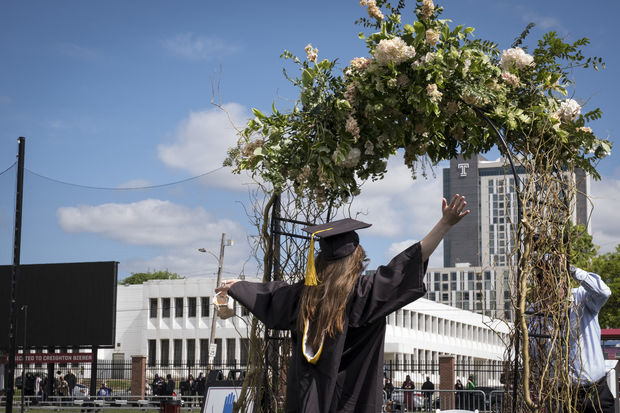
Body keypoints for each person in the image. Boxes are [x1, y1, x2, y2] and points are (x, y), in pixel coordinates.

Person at [216, 195, 469, 413]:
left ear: (321, 259)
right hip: (352, 403)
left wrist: (237, 285)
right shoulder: (363, 293)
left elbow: (269, 295)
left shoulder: (302, 298)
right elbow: (404, 265)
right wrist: (445, 224)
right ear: (357, 257)